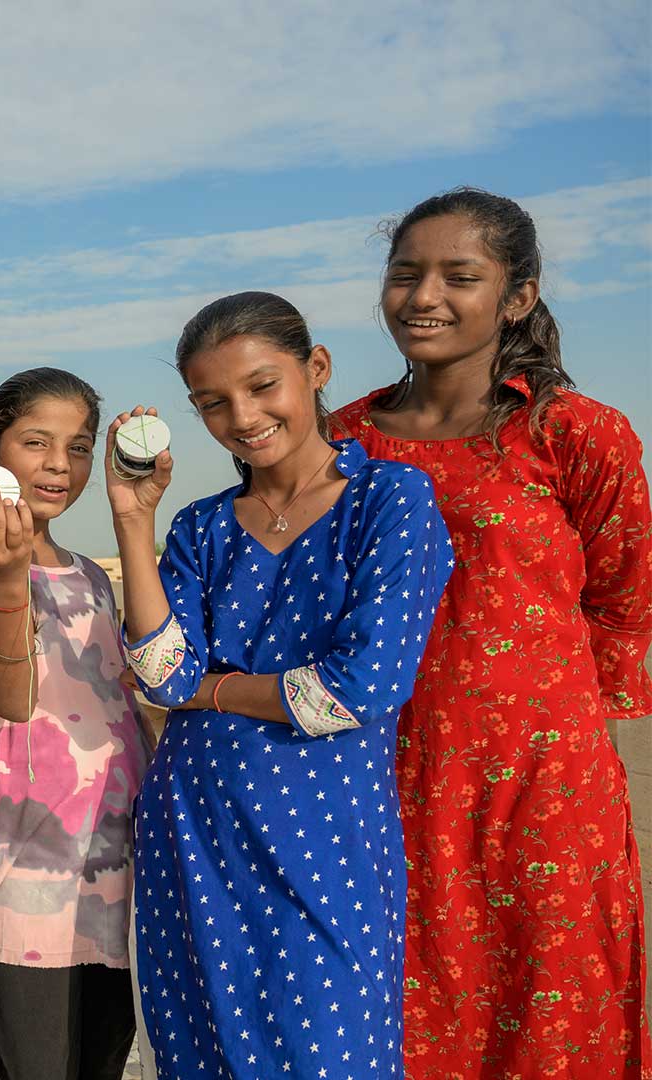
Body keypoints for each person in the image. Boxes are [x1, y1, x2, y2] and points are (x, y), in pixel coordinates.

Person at [334, 188, 652, 1076]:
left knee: (551, 1005)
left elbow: (625, 600)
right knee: (396, 1008)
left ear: (518, 296)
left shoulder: (576, 432)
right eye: (405, 274)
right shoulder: (344, 441)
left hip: (543, 790)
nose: (424, 296)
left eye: (459, 276)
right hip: (383, 774)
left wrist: (558, 734)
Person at [115, 291, 452, 1079]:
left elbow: (356, 690)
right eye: (212, 403)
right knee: (199, 1052)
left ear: (317, 369)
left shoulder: (389, 500)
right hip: (193, 829)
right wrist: (132, 518)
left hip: (325, 837)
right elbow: (161, 675)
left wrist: (216, 690)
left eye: (262, 385)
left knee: (328, 1050)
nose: (242, 416)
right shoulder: (199, 526)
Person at [0, 368, 144, 1079]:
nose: (58, 464)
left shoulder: (94, 576)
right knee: (34, 1061)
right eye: (36, 442)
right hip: (27, 861)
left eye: (78, 447)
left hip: (117, 853)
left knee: (103, 1058)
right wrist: (6, 575)